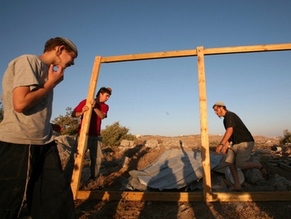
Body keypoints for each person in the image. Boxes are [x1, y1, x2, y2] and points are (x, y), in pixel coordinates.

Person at [0, 37, 78, 219]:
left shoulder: (47, 72)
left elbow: (32, 109)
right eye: (72, 57)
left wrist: (49, 125)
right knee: (10, 201)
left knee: (54, 196)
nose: (72, 63)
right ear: (60, 49)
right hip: (19, 142)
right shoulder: (29, 61)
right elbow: (20, 104)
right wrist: (50, 84)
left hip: (44, 141)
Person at [212, 101, 268, 191]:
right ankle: (237, 185)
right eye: (214, 111)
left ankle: (258, 166)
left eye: (216, 109)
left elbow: (229, 131)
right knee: (229, 161)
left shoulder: (230, 115)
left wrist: (221, 144)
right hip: (235, 143)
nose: (215, 112)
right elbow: (231, 134)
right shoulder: (225, 120)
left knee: (240, 164)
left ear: (222, 107)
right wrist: (226, 146)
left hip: (245, 142)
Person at [72, 87, 112, 181]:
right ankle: (69, 178)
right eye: (106, 96)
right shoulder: (85, 102)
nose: (107, 98)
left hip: (96, 136)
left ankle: (93, 179)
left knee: (97, 159)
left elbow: (102, 116)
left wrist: (93, 107)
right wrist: (82, 111)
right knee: (75, 157)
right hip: (83, 135)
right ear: (100, 94)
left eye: (109, 97)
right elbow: (73, 114)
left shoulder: (105, 106)